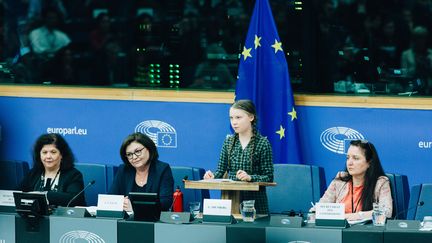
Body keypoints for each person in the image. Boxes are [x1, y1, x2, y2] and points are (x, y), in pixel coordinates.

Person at [203, 100, 274, 215]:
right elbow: (221, 171)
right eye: (231, 118)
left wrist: (250, 177)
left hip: (256, 202)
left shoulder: (263, 143)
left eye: (238, 117)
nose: (234, 122)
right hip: (231, 200)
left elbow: (268, 177)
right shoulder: (228, 142)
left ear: (251, 117)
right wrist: (212, 176)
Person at [316, 140, 392, 221]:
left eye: (355, 158)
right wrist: (314, 211)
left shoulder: (380, 182)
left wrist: (356, 216)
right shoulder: (340, 180)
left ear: (369, 163)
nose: (349, 163)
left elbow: (386, 211)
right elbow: (321, 207)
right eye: (348, 158)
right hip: (338, 231)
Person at [109, 132, 174, 212]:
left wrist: (135, 208)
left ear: (149, 148)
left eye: (138, 151)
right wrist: (120, 203)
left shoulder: (162, 169)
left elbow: (165, 203)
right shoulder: (123, 169)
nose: (134, 157)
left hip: (154, 221)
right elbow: (111, 198)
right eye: (129, 154)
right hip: (126, 220)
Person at [19, 133, 86, 207]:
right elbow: (18, 195)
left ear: (61, 155)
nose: (48, 156)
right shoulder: (33, 173)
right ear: (39, 155)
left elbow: (74, 200)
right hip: (35, 217)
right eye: (44, 152)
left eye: (53, 152)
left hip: (62, 217)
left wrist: (46, 195)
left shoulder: (73, 175)